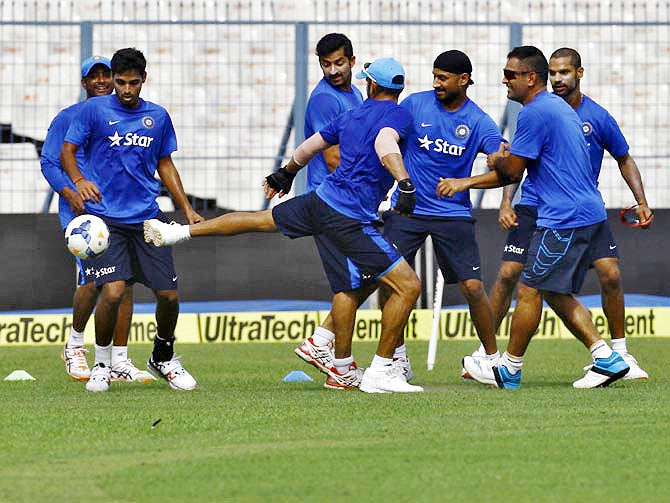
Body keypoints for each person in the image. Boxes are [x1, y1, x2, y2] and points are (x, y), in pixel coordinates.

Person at [144, 58, 425, 393]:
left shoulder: (350, 115)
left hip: (320, 200)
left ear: (371, 85)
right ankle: (380, 371)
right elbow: (385, 144)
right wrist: (404, 181)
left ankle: (181, 231)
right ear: (396, 88)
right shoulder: (399, 114)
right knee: (407, 286)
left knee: (259, 220)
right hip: (350, 217)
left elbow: (311, 146)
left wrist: (286, 172)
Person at [444, 46, 629, 388]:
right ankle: (606, 357)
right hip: (582, 213)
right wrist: (492, 168)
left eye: (511, 75)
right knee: (555, 292)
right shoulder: (555, 107)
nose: (505, 80)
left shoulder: (534, 113)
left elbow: (513, 172)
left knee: (529, 289)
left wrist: (474, 175)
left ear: (531, 79)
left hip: (563, 217)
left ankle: (510, 368)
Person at [484, 47, 652, 381]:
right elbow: (520, 166)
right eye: (554, 72)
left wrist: (641, 200)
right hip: (541, 206)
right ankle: (494, 356)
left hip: (569, 213)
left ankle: (613, 354)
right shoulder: (546, 110)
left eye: (565, 72)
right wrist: (506, 202)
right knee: (519, 278)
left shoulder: (585, 115)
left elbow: (623, 157)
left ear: (579, 73)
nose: (559, 78)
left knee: (599, 276)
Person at [60, 48, 203, 392]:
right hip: (105, 221)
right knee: (112, 292)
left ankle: (163, 355)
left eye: (132, 83)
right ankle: (102, 364)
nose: (126, 89)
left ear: (143, 80)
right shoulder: (94, 111)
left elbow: (165, 165)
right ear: (113, 80)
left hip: (147, 219)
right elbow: (67, 151)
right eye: (120, 82)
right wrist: (79, 181)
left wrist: (187, 209)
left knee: (168, 296)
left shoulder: (157, 116)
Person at [383, 50, 503, 378]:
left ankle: (492, 358)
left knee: (473, 288)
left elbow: (505, 169)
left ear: (463, 80)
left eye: (443, 78)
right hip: (407, 211)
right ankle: (396, 356)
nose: (436, 83)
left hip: (453, 215)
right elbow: (386, 142)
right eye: (434, 76)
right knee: (388, 279)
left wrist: (468, 180)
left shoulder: (479, 121)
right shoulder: (413, 105)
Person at [40, 56, 153, 384]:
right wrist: (71, 189)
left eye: (107, 75)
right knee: (94, 281)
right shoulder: (69, 117)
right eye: (95, 76)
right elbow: (50, 161)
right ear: (84, 83)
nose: (102, 80)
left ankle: (119, 360)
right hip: (82, 213)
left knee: (124, 286)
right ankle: (75, 345)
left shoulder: (126, 116)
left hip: (121, 212)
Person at [291, 33, 367, 390]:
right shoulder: (324, 98)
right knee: (353, 281)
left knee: (366, 276)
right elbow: (334, 157)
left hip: (347, 200)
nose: (333, 70)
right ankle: (340, 365)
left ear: (352, 60)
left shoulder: (354, 94)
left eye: (339, 62)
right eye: (326, 64)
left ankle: (321, 341)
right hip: (331, 202)